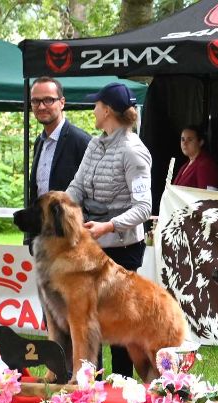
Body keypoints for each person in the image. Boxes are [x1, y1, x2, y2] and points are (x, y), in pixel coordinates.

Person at [66, 82, 151, 378]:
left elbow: (144, 208)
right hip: (92, 246)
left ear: (107, 111)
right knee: (88, 316)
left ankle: (123, 384)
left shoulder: (134, 152)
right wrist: (59, 207)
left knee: (117, 322)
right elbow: (77, 185)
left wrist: (108, 226)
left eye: (96, 105)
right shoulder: (94, 144)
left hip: (122, 249)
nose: (93, 110)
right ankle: (92, 381)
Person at [26, 76, 91, 250]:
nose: (41, 106)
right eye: (35, 101)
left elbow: (94, 193)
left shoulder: (81, 141)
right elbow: (37, 191)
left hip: (72, 242)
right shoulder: (39, 143)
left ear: (62, 103)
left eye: (48, 100)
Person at [172, 125, 218, 190]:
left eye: (189, 140)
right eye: (182, 139)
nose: (184, 143)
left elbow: (209, 195)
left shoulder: (206, 165)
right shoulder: (185, 166)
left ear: (200, 142)